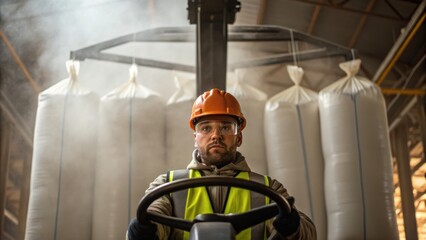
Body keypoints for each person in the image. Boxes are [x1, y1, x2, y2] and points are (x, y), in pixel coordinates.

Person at [127, 88, 317, 239]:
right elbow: (151, 216)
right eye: (206, 128)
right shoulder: (167, 186)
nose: (216, 135)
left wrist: (293, 227)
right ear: (196, 137)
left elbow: (308, 234)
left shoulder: (268, 189)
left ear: (239, 137)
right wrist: (145, 230)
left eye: (226, 127)